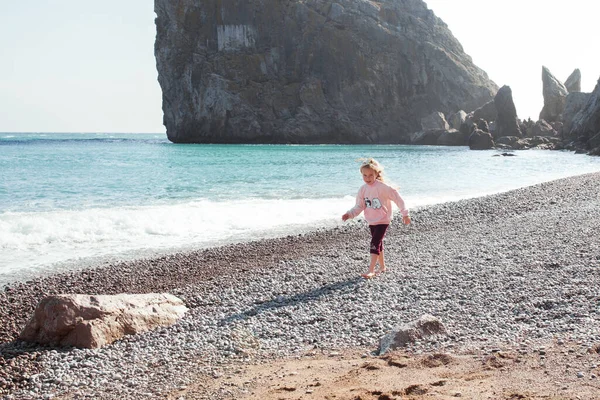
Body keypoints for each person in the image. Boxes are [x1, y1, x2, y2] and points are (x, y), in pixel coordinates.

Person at [342, 158, 411, 279]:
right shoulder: (363, 189)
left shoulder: (383, 187)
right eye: (365, 175)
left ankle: (371, 270)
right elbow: (359, 206)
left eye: (370, 175)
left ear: (376, 174)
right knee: (378, 243)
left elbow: (398, 199)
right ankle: (382, 266)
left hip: (383, 220)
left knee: (374, 243)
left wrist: (405, 214)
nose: (367, 178)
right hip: (371, 220)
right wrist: (349, 214)